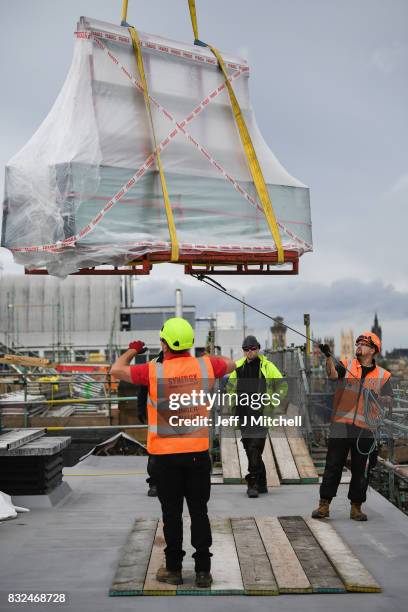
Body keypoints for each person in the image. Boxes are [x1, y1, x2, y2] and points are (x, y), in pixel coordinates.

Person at [110, 317, 235, 588]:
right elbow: (232, 363)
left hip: (165, 457)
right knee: (199, 511)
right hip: (197, 455)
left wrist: (133, 349)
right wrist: (204, 354)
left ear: (164, 343)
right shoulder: (206, 366)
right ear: (190, 343)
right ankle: (203, 571)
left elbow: (116, 370)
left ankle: (174, 570)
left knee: (172, 514)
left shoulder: (153, 371)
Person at [312, 331, 393, 521]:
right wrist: (329, 357)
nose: (359, 346)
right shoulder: (347, 366)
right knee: (333, 465)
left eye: (363, 344)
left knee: (361, 468)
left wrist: (377, 396)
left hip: (365, 429)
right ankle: (324, 505)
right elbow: (332, 375)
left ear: (373, 350)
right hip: (341, 425)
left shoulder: (383, 375)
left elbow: (389, 401)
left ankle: (356, 507)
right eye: (358, 343)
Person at [226, 335, 287, 498]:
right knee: (251, 449)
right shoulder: (237, 367)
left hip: (261, 415)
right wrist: (234, 404)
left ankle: (252, 483)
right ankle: (262, 482)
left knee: (254, 447)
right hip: (244, 414)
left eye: (252, 348)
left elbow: (282, 385)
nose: (250, 352)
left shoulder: (267, 366)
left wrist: (272, 402)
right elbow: (230, 389)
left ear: (258, 348)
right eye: (246, 349)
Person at [137, 351, 164, 497]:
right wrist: (141, 409)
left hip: (178, 417)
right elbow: (142, 389)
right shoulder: (152, 365)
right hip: (158, 419)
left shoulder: (185, 363)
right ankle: (154, 483)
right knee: (155, 454)